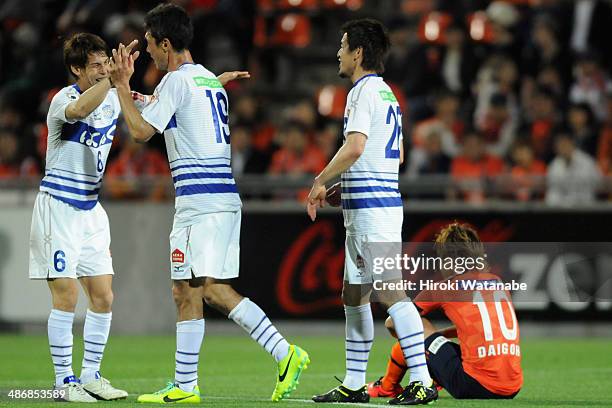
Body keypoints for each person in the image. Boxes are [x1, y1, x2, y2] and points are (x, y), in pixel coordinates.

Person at [109, 3, 309, 404]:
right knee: (206, 289)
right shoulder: (204, 81)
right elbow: (170, 106)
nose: (148, 53)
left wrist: (119, 87)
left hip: (200, 204)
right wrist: (132, 91)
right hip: (218, 199)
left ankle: (189, 385)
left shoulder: (177, 82)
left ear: (166, 44)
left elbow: (140, 131)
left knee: (187, 289)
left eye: (150, 45)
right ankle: (282, 354)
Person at [306, 19, 437, 405]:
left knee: (390, 292)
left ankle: (423, 380)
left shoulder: (363, 92)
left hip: (374, 211)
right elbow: (381, 155)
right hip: (367, 204)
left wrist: (319, 180)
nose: (338, 53)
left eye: (343, 45)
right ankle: (353, 382)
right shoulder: (386, 94)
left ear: (358, 53)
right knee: (354, 293)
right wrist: (341, 188)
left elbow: (356, 147)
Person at [28, 32, 135, 402]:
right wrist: (112, 80)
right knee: (67, 295)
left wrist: (207, 84)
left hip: (91, 210)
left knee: (103, 297)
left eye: (107, 62)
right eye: (95, 65)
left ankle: (91, 376)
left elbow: (158, 105)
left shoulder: (113, 97)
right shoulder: (64, 99)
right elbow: (78, 113)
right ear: (76, 69)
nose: (104, 69)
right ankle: (63, 383)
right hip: (58, 206)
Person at [367, 222, 523, 401]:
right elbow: (484, 329)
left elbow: (393, 323)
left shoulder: (445, 287)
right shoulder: (498, 282)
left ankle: (387, 387)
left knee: (415, 323)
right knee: (423, 333)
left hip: (473, 385)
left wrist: (426, 342)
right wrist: (438, 337)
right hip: (512, 386)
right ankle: (434, 371)